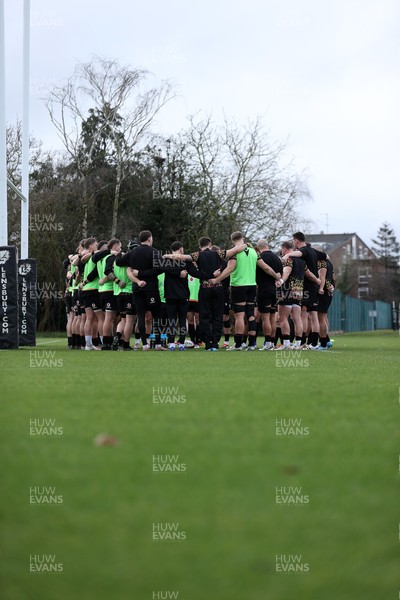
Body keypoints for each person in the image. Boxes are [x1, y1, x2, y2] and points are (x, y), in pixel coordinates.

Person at [211, 232, 281, 351]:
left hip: (238, 286)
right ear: (243, 238)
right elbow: (265, 267)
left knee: (239, 316)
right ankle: (252, 343)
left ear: (232, 240)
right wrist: (277, 276)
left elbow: (230, 268)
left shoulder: (235, 252)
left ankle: (238, 344)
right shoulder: (254, 251)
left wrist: (216, 280)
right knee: (251, 315)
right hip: (252, 286)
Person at [116, 230, 165, 351]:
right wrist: (144, 273)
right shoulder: (154, 252)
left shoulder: (133, 252)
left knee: (141, 316)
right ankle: (158, 344)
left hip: (137, 288)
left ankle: (145, 344)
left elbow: (118, 262)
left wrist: (118, 254)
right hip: (151, 287)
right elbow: (161, 269)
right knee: (156, 316)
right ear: (150, 239)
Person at [283, 232, 325, 350]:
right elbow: (326, 256)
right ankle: (313, 343)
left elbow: (298, 253)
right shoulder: (313, 251)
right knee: (313, 315)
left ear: (296, 241)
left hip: (307, 286)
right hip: (314, 286)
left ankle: (302, 343)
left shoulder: (305, 250)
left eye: (293, 241)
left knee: (304, 314)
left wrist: (288, 255)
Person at [275, 241, 306, 349]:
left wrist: (281, 281)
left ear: (284, 249)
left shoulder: (288, 259)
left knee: (283, 318)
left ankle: (287, 343)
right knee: (297, 318)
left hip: (287, 291)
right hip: (299, 291)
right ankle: (298, 343)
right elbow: (308, 274)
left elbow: (287, 272)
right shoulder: (302, 260)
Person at [256, 239, 283, 351]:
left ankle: (267, 343)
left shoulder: (260, 258)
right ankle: (272, 342)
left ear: (258, 247)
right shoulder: (277, 258)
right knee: (273, 316)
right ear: (268, 245)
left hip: (264, 289)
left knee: (265, 317)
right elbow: (280, 274)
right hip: (274, 290)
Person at [317, 255, 335, 349]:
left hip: (323, 293)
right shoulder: (329, 263)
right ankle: (326, 340)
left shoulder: (321, 263)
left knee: (321, 319)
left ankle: (323, 343)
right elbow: (332, 277)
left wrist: (320, 288)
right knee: (323, 317)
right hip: (328, 292)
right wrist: (332, 286)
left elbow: (322, 276)